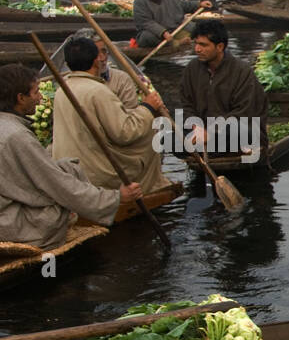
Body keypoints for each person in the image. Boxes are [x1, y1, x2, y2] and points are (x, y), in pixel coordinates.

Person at [0, 64, 139, 251]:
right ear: (20, 98)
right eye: (35, 93)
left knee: (68, 166)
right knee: (64, 194)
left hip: (7, 210)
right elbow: (58, 185)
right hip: (12, 225)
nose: (40, 98)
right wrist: (115, 198)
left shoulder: (8, 127)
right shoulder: (17, 136)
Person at [50, 37, 168, 193]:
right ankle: (150, 187)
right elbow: (125, 133)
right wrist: (148, 107)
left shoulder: (61, 90)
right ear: (96, 61)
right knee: (153, 132)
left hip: (67, 166)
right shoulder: (98, 91)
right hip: (96, 172)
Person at [176, 20, 269, 162]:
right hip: (203, 132)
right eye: (196, 44)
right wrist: (196, 127)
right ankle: (206, 150)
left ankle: (215, 150)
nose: (197, 49)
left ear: (220, 47)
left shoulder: (241, 71)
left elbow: (244, 112)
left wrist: (211, 132)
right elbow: (187, 104)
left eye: (203, 45)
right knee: (167, 138)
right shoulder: (192, 69)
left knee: (239, 132)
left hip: (235, 131)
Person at [132, 0, 211, 50]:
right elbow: (146, 22)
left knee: (199, 30)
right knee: (147, 36)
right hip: (156, 34)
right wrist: (163, 32)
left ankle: (180, 41)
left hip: (174, 29)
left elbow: (180, 4)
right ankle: (176, 43)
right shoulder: (140, 1)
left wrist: (198, 4)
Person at [69, 28, 138, 108]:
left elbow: (131, 114)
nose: (102, 58)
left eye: (104, 51)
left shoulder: (122, 80)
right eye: (95, 53)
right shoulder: (68, 85)